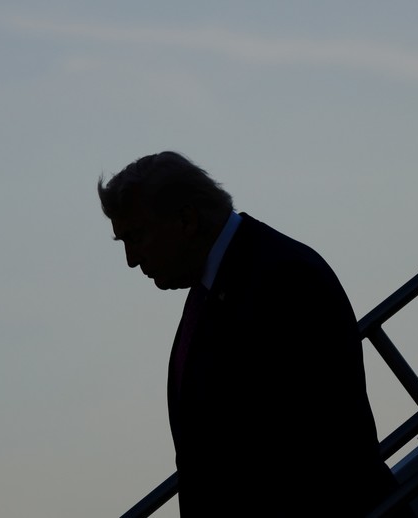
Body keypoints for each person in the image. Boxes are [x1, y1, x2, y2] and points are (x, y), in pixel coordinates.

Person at [98, 151, 401, 516]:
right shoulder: (221, 284)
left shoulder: (284, 278)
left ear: (187, 220)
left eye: (136, 236)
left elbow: (310, 444)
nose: (132, 259)